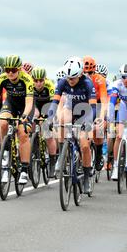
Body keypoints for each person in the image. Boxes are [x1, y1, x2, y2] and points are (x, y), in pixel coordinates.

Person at [48, 56, 97, 194]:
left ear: (81, 74)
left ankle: (87, 177)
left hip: (85, 111)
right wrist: (50, 118)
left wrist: (87, 123)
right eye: (68, 78)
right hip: (70, 108)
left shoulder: (88, 83)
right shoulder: (63, 82)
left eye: (73, 78)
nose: (70, 81)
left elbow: (93, 107)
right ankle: (62, 155)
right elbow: (55, 102)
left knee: (84, 144)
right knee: (62, 121)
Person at [0, 55, 34, 184]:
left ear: (19, 69)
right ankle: (6, 150)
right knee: (2, 122)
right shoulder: (1, 78)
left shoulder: (27, 79)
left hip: (25, 105)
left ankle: (24, 169)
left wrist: (25, 115)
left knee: (22, 133)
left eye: (13, 70)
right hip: (11, 103)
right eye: (7, 69)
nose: (10, 73)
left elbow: (29, 101)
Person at [31, 66, 58, 177]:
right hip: (36, 105)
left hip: (48, 106)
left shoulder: (50, 86)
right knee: (34, 117)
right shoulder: (30, 86)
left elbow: (53, 105)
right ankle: (33, 142)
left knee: (47, 133)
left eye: (41, 80)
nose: (38, 83)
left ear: (45, 79)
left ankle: (52, 162)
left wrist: (49, 119)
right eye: (36, 81)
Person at [83, 56, 108, 171]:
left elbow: (103, 101)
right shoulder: (79, 80)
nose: (88, 75)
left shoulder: (100, 80)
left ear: (95, 71)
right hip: (84, 103)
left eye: (91, 72)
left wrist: (101, 118)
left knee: (98, 129)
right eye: (85, 72)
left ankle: (98, 155)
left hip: (98, 103)